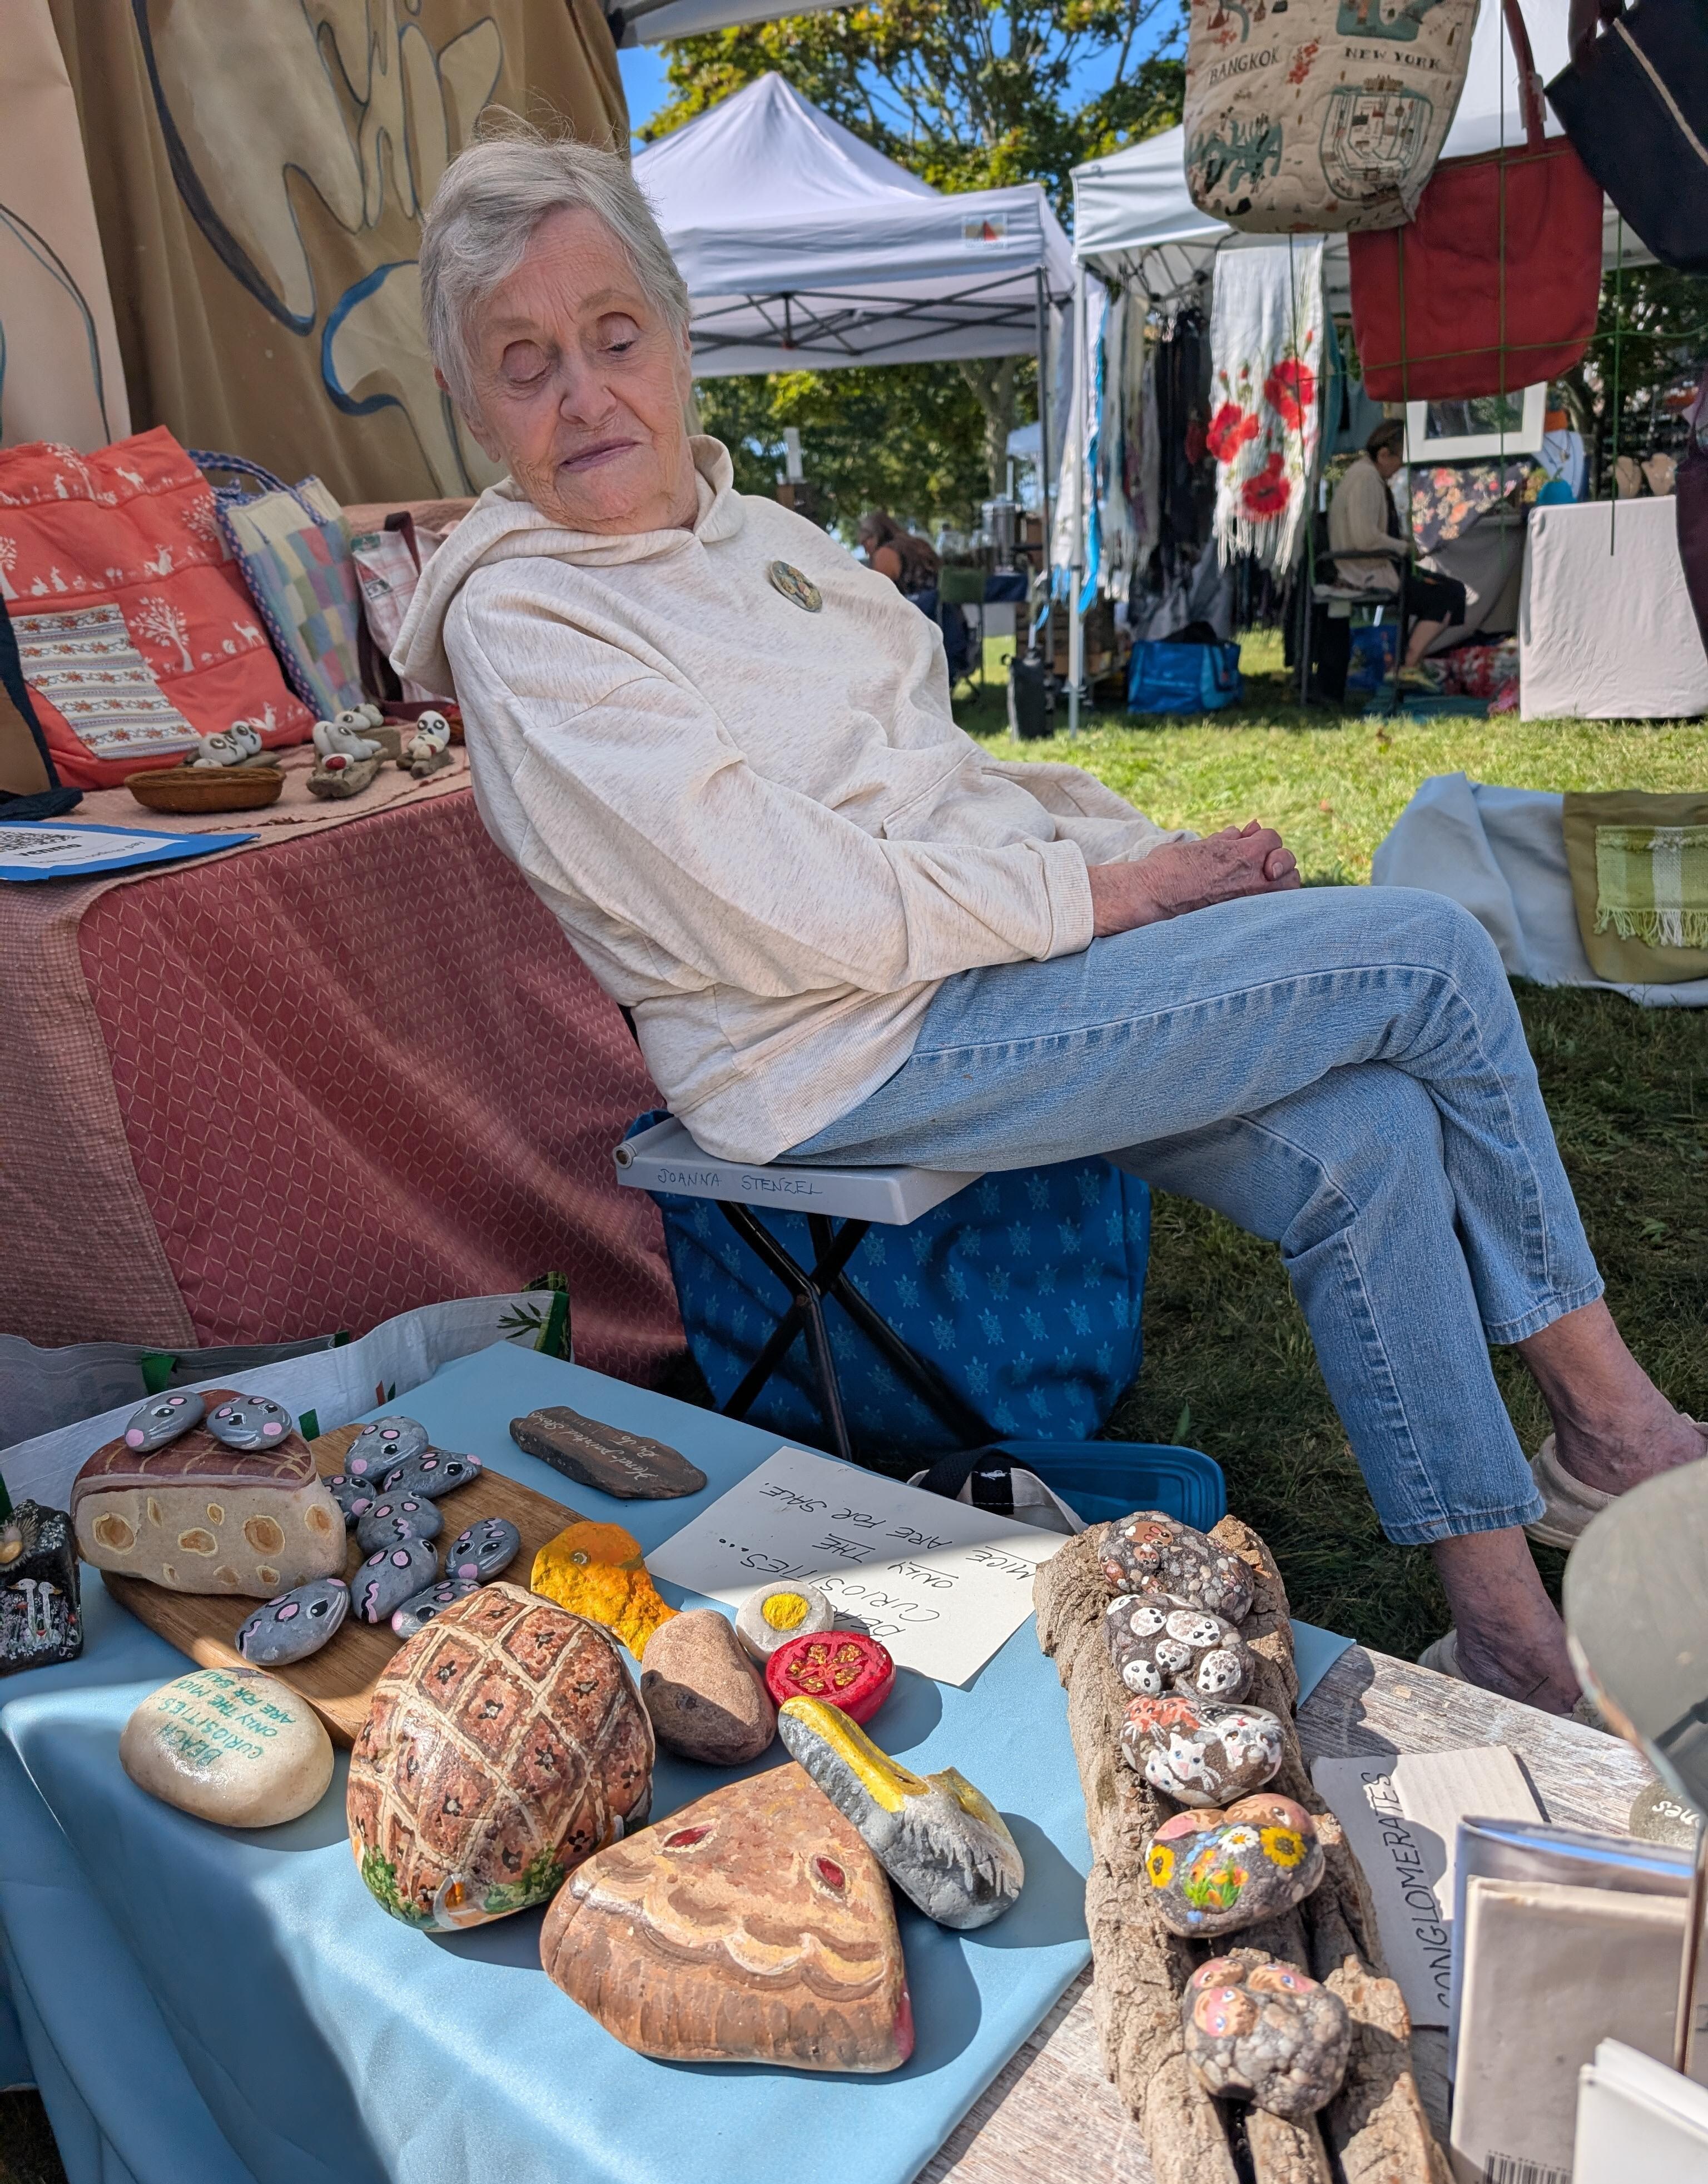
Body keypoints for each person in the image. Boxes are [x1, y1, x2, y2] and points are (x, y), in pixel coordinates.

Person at [396, 125, 1705, 1716]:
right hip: (837, 1047)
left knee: (1365, 1128)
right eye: (523, 365)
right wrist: (1114, 896)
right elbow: (778, 902)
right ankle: (1614, 1430)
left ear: (681, 335)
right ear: (471, 407)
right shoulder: (530, 616)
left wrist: (1153, 850)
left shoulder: (765, 541)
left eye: (614, 336)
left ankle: (1505, 1631)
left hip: (978, 972)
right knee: (1423, 956)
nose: (584, 393)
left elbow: (943, 775)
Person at [1328, 420, 1466, 684]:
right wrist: (1404, 547)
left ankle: (1409, 664)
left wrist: (1406, 545)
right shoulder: (1366, 478)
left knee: (1449, 592)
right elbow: (1366, 538)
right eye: (1399, 459)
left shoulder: (1369, 476)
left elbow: (1370, 534)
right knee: (1447, 595)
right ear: (1383, 455)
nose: (1400, 467)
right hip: (1364, 572)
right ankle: (1407, 666)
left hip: (1372, 567)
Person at [856, 509, 939, 594]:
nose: (866, 550)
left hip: (914, 605)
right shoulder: (918, 544)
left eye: (864, 543)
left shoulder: (885, 554)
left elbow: (878, 594)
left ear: (874, 536)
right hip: (937, 603)